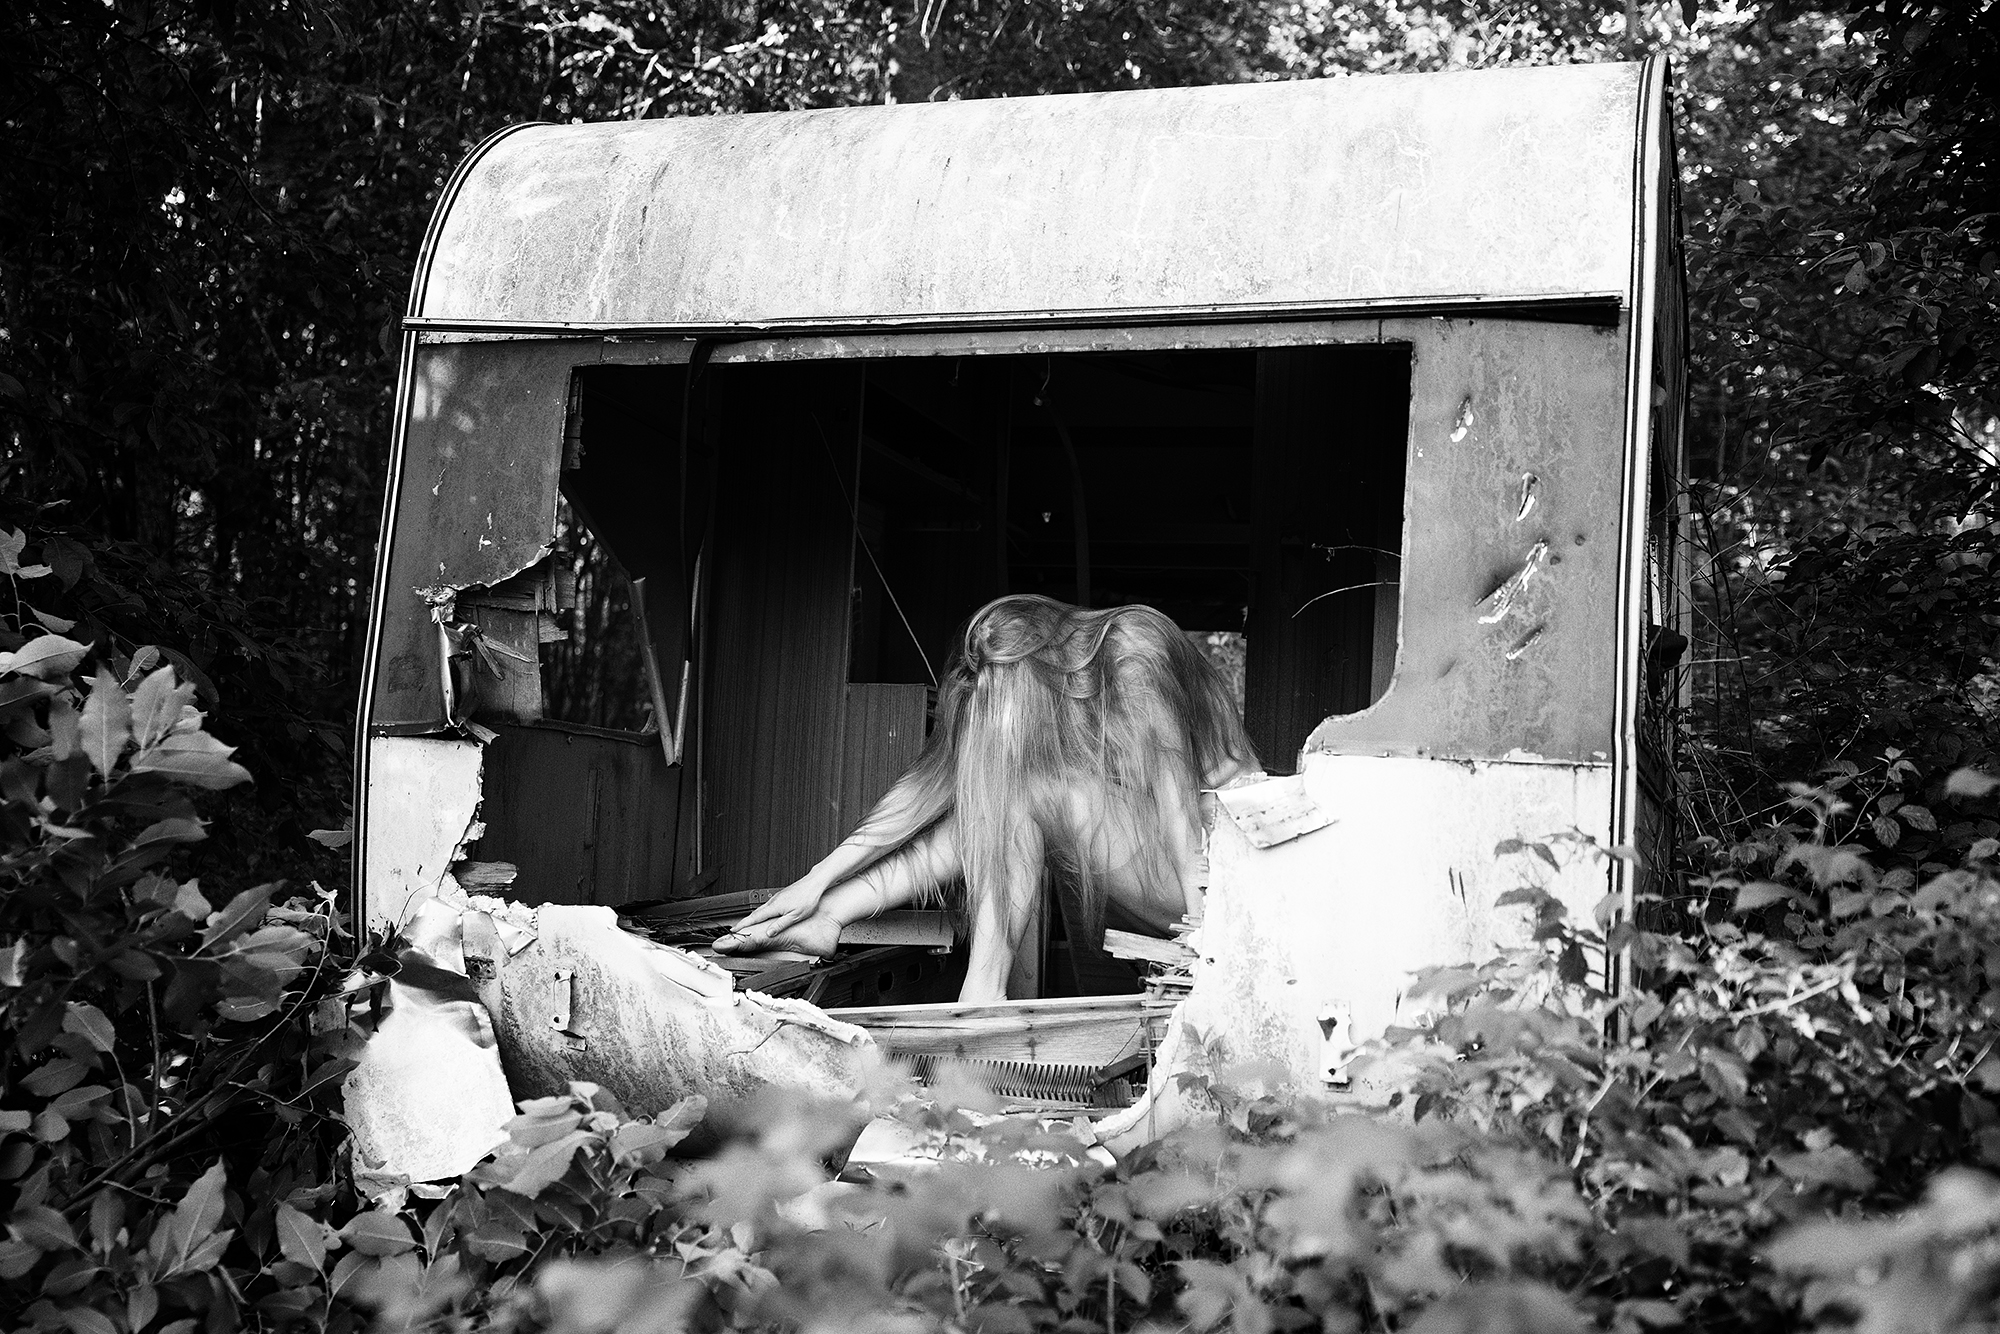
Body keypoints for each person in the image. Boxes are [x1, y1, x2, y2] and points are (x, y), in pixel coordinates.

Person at [713, 595, 1258, 1002]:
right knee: (999, 795)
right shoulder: (1025, 685)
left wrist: (1209, 961)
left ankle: (981, 994)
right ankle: (832, 918)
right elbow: (924, 795)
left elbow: (1183, 825)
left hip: (1233, 879)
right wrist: (816, 883)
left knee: (1020, 791)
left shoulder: (1135, 654)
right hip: (1162, 868)